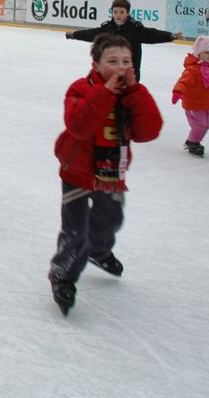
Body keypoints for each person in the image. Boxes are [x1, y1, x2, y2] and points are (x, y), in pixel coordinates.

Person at [48, 34, 163, 315]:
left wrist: (136, 93)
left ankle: (98, 250)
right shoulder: (80, 88)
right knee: (75, 230)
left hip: (112, 172)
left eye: (126, 61)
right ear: (96, 64)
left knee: (111, 219)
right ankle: (63, 275)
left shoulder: (132, 94)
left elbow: (149, 131)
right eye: (112, 62)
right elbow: (79, 126)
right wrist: (106, 92)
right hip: (76, 171)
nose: (120, 68)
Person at [66, 0, 182, 81]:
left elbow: (152, 34)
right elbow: (91, 34)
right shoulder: (107, 28)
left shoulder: (135, 28)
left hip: (130, 73)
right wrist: (74, 35)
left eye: (121, 12)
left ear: (127, 13)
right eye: (115, 12)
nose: (118, 15)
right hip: (111, 72)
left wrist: (170, 36)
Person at [171, 35, 209, 157]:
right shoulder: (193, 70)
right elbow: (184, 81)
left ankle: (192, 140)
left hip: (207, 103)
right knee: (200, 125)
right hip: (194, 103)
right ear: (198, 53)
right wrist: (178, 91)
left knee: (207, 125)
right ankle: (194, 143)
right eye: (206, 52)